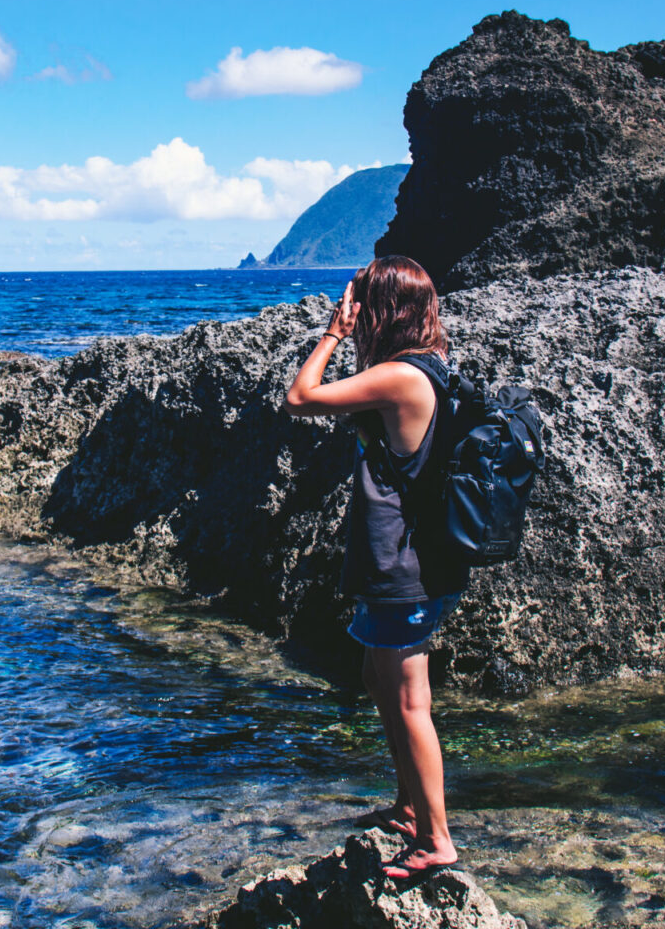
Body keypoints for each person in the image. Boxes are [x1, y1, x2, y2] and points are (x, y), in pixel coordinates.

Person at [282, 254, 467, 885]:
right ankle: (411, 804)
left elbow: (300, 397)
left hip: (404, 567)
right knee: (375, 675)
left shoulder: (401, 377)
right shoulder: (422, 368)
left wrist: (334, 332)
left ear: (381, 311)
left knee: (411, 698)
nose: (353, 310)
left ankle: (437, 837)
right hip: (397, 561)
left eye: (362, 302)